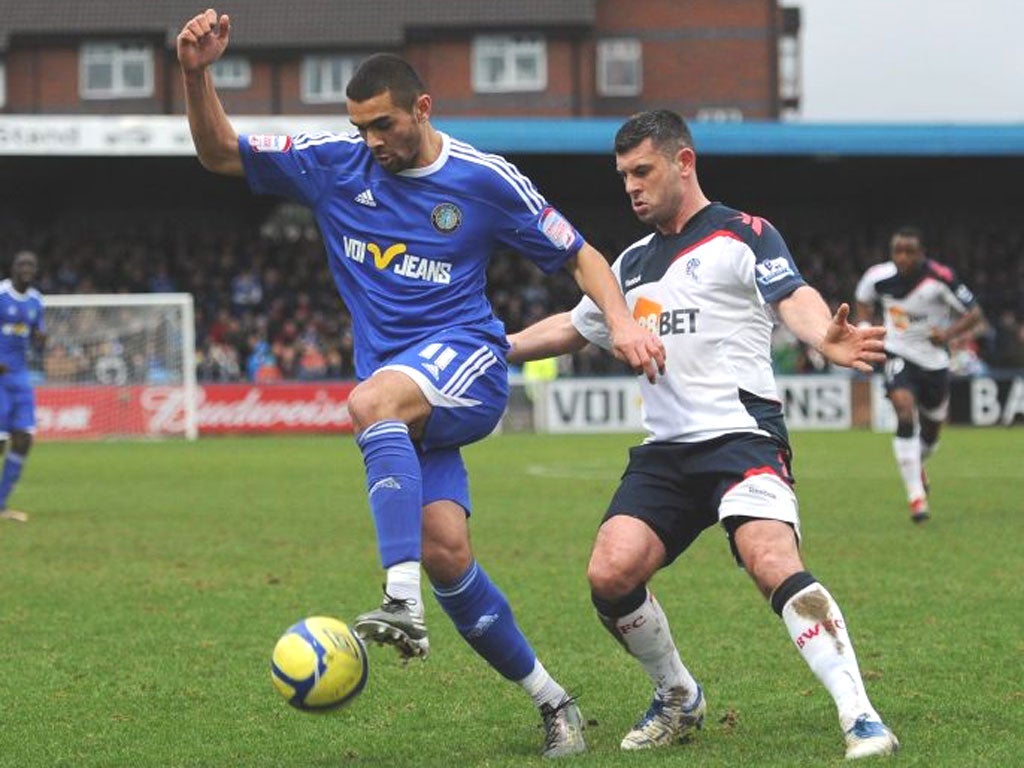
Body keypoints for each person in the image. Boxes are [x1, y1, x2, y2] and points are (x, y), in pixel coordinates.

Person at [177, 9, 664, 758]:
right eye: (361, 127)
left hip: (467, 362)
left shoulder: (483, 178)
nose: (372, 141)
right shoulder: (332, 161)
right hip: (404, 400)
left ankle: (398, 600)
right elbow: (217, 155)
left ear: (422, 109)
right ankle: (554, 702)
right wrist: (196, 72)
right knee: (446, 553)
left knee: (369, 401)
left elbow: (581, 256)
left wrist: (623, 321)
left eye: (383, 125)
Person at [507, 110, 899, 760]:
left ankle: (861, 716)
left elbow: (792, 295)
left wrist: (820, 336)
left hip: (741, 437)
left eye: (643, 171)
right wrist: (500, 345)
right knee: (610, 573)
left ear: (682, 163)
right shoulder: (629, 264)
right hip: (665, 453)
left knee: (769, 559)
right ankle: (679, 695)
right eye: (623, 175)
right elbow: (575, 328)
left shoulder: (742, 234)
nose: (631, 186)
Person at [855, 226, 981, 523]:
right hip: (898, 354)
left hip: (935, 362)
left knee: (931, 435)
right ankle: (916, 498)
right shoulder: (878, 277)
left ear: (921, 253)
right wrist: (864, 328)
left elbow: (974, 313)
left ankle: (916, 465)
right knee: (904, 411)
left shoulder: (940, 278)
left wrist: (948, 335)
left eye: (909, 251)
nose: (903, 257)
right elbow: (862, 301)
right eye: (897, 251)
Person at [0, 251, 46, 523]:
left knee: (25, 439)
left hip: (19, 376)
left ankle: (1, 504)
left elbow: (36, 336)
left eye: (31, 264)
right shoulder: (1, 294)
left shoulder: (36, 301)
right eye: (22, 264)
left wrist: (41, 339)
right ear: (12, 268)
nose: (26, 268)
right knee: (1, 441)